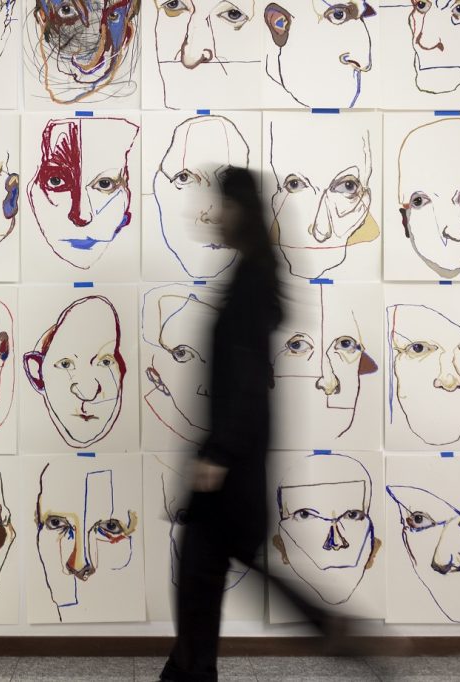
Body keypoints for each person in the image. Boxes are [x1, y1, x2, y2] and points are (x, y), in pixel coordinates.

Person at [161, 168, 344, 682]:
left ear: (241, 211)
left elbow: (244, 378)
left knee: (200, 576)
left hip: (231, 460)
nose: (211, 214)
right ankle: (328, 626)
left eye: (221, 204)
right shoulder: (252, 273)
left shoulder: (252, 281)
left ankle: (331, 626)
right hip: (235, 453)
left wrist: (218, 454)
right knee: (205, 575)